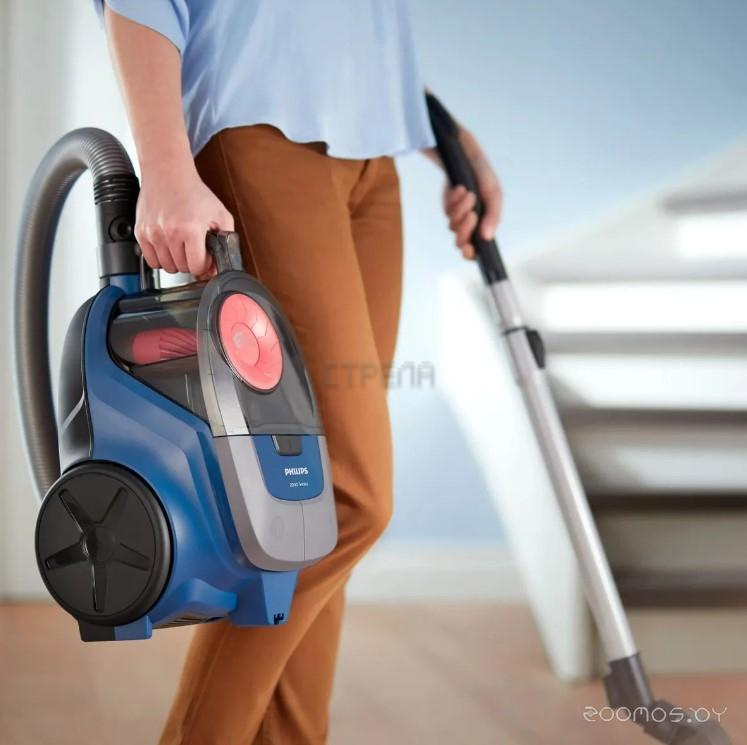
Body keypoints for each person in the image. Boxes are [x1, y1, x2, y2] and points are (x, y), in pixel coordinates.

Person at [96, 2, 502, 743]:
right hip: (258, 132)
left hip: (373, 153)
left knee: (317, 505)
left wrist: (442, 132)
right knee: (343, 495)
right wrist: (164, 165)